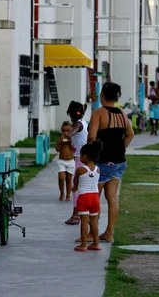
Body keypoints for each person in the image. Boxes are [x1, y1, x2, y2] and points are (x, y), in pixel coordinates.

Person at [88, 82, 134, 243]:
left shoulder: (98, 113)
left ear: (102, 95)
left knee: (94, 196)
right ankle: (109, 233)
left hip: (102, 162)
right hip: (119, 162)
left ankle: (91, 233)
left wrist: (90, 157)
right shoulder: (122, 113)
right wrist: (121, 149)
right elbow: (130, 134)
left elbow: (92, 138)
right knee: (112, 197)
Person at [72, 141, 102, 252]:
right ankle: (96, 244)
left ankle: (83, 245)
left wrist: (75, 187)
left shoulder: (80, 170)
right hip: (95, 198)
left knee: (84, 222)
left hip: (84, 197)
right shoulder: (98, 169)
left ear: (85, 156)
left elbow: (76, 182)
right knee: (93, 222)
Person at [64, 101, 89, 226]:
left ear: (71, 113)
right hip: (82, 157)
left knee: (76, 187)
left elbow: (75, 131)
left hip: (81, 159)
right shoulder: (82, 122)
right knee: (81, 186)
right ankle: (83, 213)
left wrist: (69, 135)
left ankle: (76, 215)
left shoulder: (78, 124)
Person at [56, 121, 75, 202]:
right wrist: (60, 142)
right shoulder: (61, 138)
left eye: (68, 131)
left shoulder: (73, 138)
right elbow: (57, 149)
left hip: (70, 161)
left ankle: (68, 195)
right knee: (61, 178)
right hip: (62, 161)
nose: (65, 133)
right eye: (63, 131)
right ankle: (62, 193)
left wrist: (70, 141)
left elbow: (74, 149)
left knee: (68, 179)